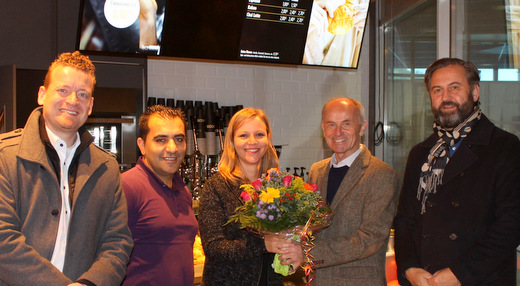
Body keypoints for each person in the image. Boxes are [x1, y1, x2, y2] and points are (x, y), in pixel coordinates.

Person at [0, 51, 133, 285]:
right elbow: (3, 240)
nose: (73, 101)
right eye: (63, 90)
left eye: (82, 94)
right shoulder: (5, 157)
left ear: (90, 105)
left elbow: (117, 242)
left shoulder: (107, 168)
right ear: (42, 95)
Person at [394, 58, 520, 286]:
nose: (446, 97)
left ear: (474, 92)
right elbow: (405, 220)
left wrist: (461, 273)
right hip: (427, 280)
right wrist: (409, 268)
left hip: (480, 279)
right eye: (437, 90)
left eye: (454, 87)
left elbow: (511, 224)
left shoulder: (505, 147)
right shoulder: (420, 153)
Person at [198, 108, 302, 286]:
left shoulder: (276, 185)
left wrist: (294, 249)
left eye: (259, 134)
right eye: (243, 135)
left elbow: (290, 234)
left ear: (268, 138)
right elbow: (213, 248)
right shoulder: (216, 187)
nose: (252, 142)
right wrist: (263, 245)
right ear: (231, 140)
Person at [306, 97, 400, 285]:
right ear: (323, 129)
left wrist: (308, 253)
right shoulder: (316, 170)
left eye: (346, 124)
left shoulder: (381, 174)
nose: (338, 132)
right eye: (331, 125)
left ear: (362, 127)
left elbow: (369, 239)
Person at [121, 105, 198, 286]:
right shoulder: (127, 187)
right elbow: (104, 254)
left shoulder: (182, 191)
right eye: (161, 140)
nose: (172, 148)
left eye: (179, 139)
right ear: (142, 145)